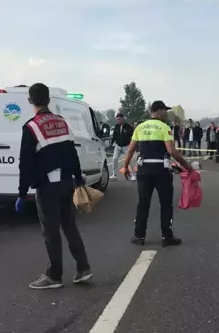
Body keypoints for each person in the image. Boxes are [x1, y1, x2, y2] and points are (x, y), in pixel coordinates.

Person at [16, 83, 92, 289]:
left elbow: (26, 163)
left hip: (48, 187)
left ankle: (54, 276)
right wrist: (78, 177)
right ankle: (83, 268)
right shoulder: (62, 122)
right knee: (70, 226)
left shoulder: (31, 127)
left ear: (30, 101)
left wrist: (22, 194)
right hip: (68, 183)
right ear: (49, 99)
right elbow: (72, 152)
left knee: (51, 231)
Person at [123, 101, 193, 247]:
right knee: (166, 204)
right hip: (161, 170)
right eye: (164, 110)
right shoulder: (164, 127)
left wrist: (125, 166)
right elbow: (172, 151)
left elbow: (131, 149)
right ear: (158, 110)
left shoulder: (140, 127)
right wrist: (186, 165)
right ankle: (167, 237)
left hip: (143, 170)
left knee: (143, 204)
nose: (166, 113)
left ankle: (139, 236)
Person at [110, 113, 136, 181]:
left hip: (126, 146)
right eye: (117, 119)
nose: (118, 121)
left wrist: (134, 144)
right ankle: (114, 174)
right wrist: (111, 143)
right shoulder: (116, 126)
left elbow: (133, 136)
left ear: (122, 118)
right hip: (118, 146)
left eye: (119, 119)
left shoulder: (128, 127)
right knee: (114, 159)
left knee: (129, 160)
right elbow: (114, 136)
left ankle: (133, 175)